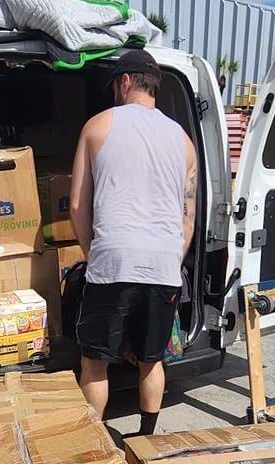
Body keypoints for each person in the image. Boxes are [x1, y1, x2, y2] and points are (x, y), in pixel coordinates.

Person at [70, 49, 197, 437]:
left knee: (94, 362)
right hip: (163, 265)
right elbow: (187, 216)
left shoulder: (97, 127)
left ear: (124, 82)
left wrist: (94, 256)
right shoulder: (184, 140)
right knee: (151, 360)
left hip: (113, 260)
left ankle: (95, 439)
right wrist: (171, 258)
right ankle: (146, 438)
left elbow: (77, 204)